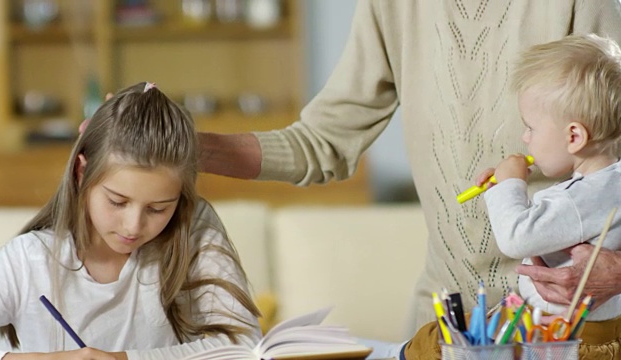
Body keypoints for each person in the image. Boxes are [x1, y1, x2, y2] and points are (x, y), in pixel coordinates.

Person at [196, 0, 621, 357]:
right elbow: (322, 142)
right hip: (442, 324)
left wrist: (619, 270)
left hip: (558, 329)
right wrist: (187, 148)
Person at [0, 82, 262, 360]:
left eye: (157, 209)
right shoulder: (28, 260)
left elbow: (245, 347)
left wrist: (124, 359)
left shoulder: (192, 231)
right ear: (82, 173)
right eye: (117, 202)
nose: (133, 226)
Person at [479, 33, 621, 356]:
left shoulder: (573, 201)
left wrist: (510, 187)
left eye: (531, 127)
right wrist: (503, 190)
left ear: (574, 136)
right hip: (603, 329)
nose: (525, 138)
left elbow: (516, 237)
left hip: (563, 336)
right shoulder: (611, 183)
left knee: (434, 345)